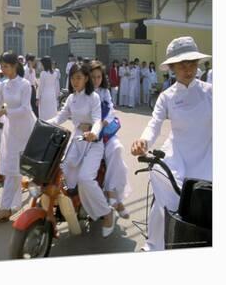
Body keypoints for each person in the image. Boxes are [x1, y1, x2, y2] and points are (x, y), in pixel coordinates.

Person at [131, 36, 212, 251]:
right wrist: (143, 141)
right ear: (172, 67)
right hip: (177, 158)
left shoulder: (211, 92)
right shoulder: (167, 96)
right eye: (182, 64)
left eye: (192, 63)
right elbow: (154, 123)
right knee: (164, 202)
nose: (188, 69)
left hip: (208, 157)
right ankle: (155, 246)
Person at [48, 63, 117, 237]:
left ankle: (107, 213)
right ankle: (75, 206)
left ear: (86, 78)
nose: (75, 81)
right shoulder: (71, 98)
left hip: (93, 143)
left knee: (85, 178)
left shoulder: (93, 97)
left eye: (78, 77)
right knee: (63, 169)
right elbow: (60, 117)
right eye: (72, 78)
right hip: (77, 140)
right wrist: (41, 123)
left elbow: (97, 120)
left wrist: (94, 133)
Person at [0, 52, 37, 222]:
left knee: (21, 168)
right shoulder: (3, 85)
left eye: (6, 66)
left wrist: (4, 111)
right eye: (1, 66)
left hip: (26, 129)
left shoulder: (25, 85)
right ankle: (9, 205)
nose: (3, 70)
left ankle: (9, 206)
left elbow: (25, 109)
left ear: (15, 66)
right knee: (11, 169)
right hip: (11, 130)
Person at [90, 61, 131, 218]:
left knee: (118, 150)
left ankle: (112, 193)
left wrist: (104, 122)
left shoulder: (104, 91)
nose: (96, 80)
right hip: (88, 135)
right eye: (92, 77)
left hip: (106, 133)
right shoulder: (83, 92)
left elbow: (111, 110)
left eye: (99, 77)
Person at [36, 56, 59, 121]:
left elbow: (40, 87)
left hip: (44, 95)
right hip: (52, 94)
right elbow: (56, 86)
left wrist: (38, 98)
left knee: (44, 111)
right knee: (52, 111)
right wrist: (56, 95)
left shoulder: (43, 73)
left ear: (44, 64)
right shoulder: (55, 73)